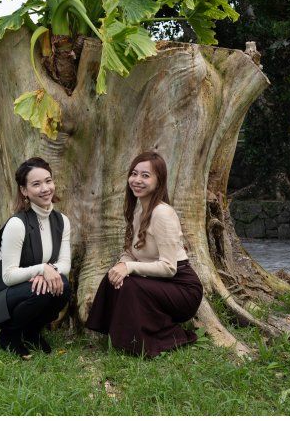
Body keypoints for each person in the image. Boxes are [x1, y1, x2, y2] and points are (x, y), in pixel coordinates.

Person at [85, 151, 203, 357]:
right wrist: (121, 266)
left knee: (130, 285)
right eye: (134, 174)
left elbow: (169, 267)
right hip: (160, 283)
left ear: (159, 182)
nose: (137, 180)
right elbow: (130, 252)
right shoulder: (138, 211)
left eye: (145, 176)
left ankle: (149, 339)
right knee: (114, 278)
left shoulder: (162, 213)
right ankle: (119, 335)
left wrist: (129, 267)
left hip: (182, 287)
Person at [0, 157, 71, 357]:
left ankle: (32, 332)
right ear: (24, 191)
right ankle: (9, 335)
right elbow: (8, 276)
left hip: (33, 288)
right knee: (42, 290)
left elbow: (65, 263)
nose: (45, 188)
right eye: (36, 184)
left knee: (62, 285)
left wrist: (49, 272)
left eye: (48, 181)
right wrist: (41, 269)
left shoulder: (62, 221)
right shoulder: (17, 224)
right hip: (4, 298)